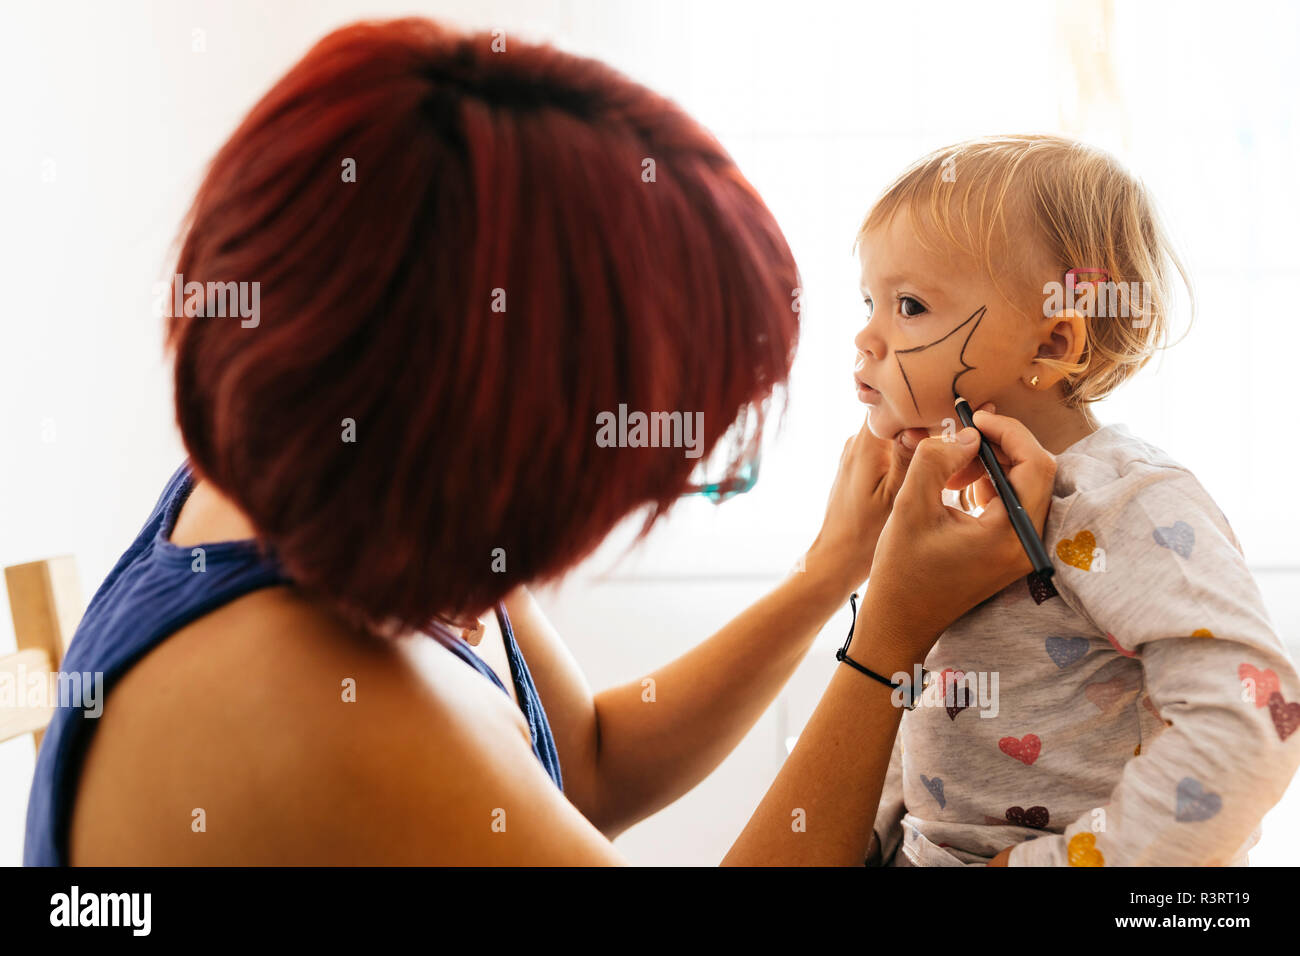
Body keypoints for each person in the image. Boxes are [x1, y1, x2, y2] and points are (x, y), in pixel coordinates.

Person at [24, 19, 1055, 866]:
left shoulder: (361, 489)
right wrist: (888, 642)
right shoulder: (314, 707)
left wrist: (833, 572)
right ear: (505, 427)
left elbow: (588, 762)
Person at [854, 135, 1300, 866]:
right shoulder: (960, 507)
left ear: (1053, 343)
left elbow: (1252, 722)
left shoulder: (1129, 501)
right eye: (868, 299)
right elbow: (931, 717)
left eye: (908, 305)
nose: (865, 337)